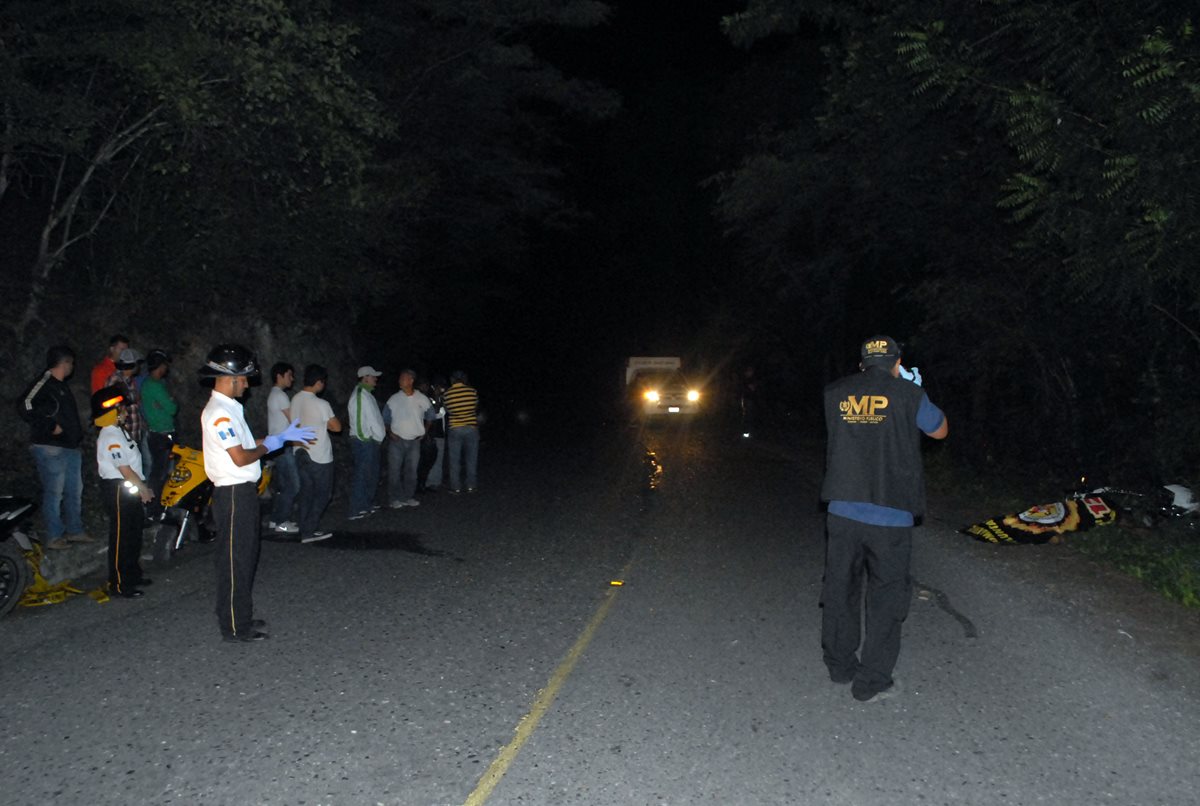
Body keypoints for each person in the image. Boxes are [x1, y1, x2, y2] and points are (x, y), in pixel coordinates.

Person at [819, 335, 948, 703]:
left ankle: (840, 666)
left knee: (840, 589)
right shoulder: (909, 394)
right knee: (887, 596)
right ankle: (871, 680)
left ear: (862, 364)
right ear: (897, 363)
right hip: (891, 515)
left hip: (843, 511)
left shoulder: (835, 393)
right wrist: (912, 389)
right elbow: (940, 430)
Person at [199, 344, 314, 643]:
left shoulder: (230, 409)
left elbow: (248, 446)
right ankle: (235, 626)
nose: (248, 384)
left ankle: (240, 616)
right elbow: (240, 457)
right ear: (231, 378)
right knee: (236, 561)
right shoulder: (220, 414)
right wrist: (269, 445)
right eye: (244, 378)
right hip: (233, 493)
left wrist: (277, 439)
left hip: (241, 492)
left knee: (246, 557)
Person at [19, 345, 91, 549]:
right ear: (64, 363)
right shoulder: (44, 382)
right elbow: (25, 404)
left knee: (74, 491)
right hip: (50, 448)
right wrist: (50, 426)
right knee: (54, 492)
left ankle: (75, 530)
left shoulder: (61, 386)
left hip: (69, 447)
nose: (73, 367)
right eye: (71, 363)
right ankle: (54, 535)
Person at [91, 385, 155, 598]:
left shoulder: (120, 432)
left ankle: (132, 575)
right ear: (113, 412)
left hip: (128, 488)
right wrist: (143, 489)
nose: (126, 412)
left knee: (133, 533)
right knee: (121, 537)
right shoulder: (110, 436)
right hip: (118, 489)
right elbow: (124, 469)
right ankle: (118, 584)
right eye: (122, 409)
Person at [290, 364, 341, 543]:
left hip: (299, 451)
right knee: (323, 494)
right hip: (319, 454)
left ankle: (304, 529)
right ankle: (309, 531)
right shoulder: (321, 403)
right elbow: (336, 427)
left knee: (307, 491)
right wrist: (323, 423)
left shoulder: (295, 399)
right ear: (319, 382)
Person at [385, 369, 431, 508]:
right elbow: (385, 418)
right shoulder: (394, 399)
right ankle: (394, 498)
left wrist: (426, 431)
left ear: (411, 380)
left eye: (402, 378)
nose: (400, 381)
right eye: (399, 379)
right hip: (397, 440)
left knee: (411, 471)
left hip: (414, 441)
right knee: (394, 470)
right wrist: (389, 432)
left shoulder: (421, 398)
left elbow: (431, 415)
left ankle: (408, 496)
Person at [140, 349, 178, 512]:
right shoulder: (155, 386)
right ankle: (155, 508)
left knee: (160, 471)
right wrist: (169, 402)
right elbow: (172, 408)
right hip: (161, 434)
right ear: (160, 366)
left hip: (156, 432)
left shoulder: (150, 383)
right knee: (160, 473)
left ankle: (158, 505)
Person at [347, 365, 386, 519]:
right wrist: (367, 438)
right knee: (362, 475)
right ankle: (355, 509)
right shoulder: (359, 395)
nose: (376, 379)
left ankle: (365, 504)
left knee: (371, 474)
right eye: (373, 376)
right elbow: (358, 422)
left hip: (370, 441)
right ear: (365, 377)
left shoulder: (367, 394)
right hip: (364, 442)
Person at [265, 362, 300, 535]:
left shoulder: (273, 394)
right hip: (283, 445)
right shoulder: (281, 396)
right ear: (279, 376)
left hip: (276, 445)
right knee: (293, 485)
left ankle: (275, 519)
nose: (292, 379)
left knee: (284, 485)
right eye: (289, 375)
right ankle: (281, 521)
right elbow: (293, 420)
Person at [443, 370, 480, 494]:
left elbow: (448, 410)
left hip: (455, 427)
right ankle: (471, 485)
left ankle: (456, 487)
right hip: (471, 427)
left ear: (452, 379)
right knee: (471, 458)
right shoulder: (472, 391)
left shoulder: (447, 394)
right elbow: (475, 407)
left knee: (454, 459)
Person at [421, 376, 448, 492]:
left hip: (439, 432)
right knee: (431, 458)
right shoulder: (430, 398)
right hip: (432, 432)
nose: (442, 390)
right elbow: (434, 413)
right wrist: (437, 398)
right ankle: (429, 482)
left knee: (438, 458)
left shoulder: (441, 398)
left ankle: (435, 481)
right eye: (440, 387)